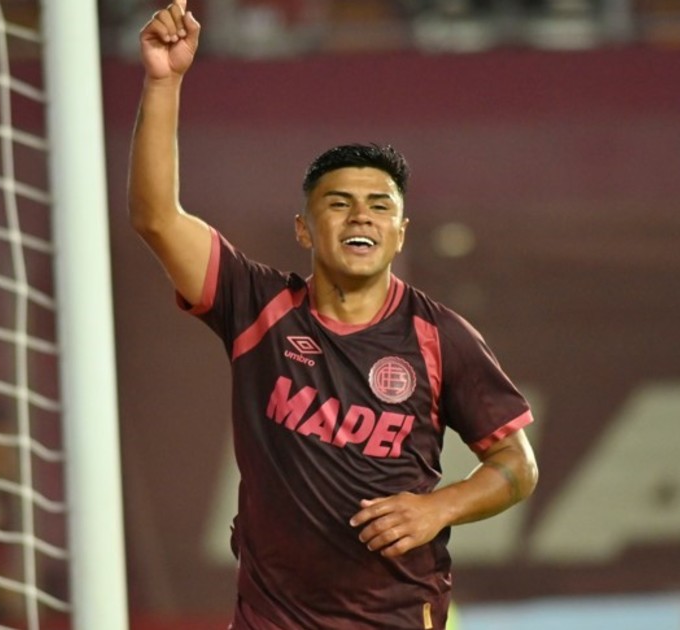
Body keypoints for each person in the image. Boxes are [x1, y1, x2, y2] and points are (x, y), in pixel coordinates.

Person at [129, 1, 539, 627]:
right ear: (304, 228)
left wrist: (439, 507)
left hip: (395, 617)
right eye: (339, 203)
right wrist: (164, 82)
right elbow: (157, 218)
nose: (360, 216)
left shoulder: (440, 337)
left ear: (400, 233)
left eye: (379, 205)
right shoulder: (257, 304)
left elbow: (517, 465)